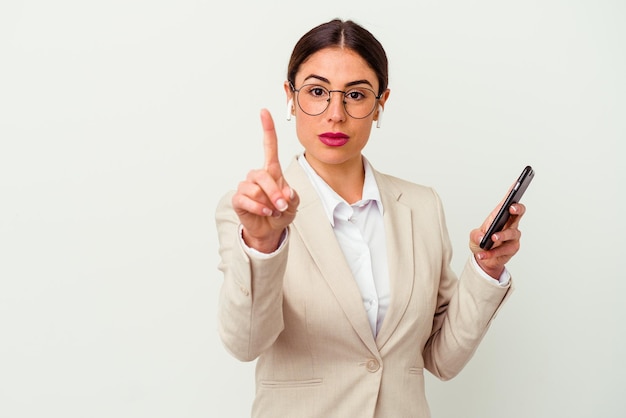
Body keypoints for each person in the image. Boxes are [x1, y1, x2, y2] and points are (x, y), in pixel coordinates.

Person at [215, 18, 525, 418]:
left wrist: (485, 269)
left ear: (381, 103)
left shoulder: (423, 206)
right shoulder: (247, 211)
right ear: (290, 98)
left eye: (356, 95)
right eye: (316, 92)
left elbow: (442, 359)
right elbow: (245, 344)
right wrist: (262, 245)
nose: (335, 114)